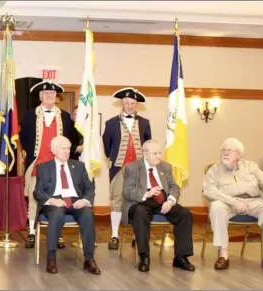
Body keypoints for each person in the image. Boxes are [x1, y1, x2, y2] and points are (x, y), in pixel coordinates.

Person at [203, 138, 263, 271]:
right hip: (227, 202)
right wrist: (232, 201)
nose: (225, 153)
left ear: (239, 154)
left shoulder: (251, 166)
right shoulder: (214, 169)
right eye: (223, 150)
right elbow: (209, 190)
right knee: (216, 207)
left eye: (230, 150)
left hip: (253, 201)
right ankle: (223, 255)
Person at [122, 140, 195, 272]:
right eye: (155, 153)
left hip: (163, 201)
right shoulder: (132, 168)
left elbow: (174, 186)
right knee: (140, 213)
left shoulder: (165, 167)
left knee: (185, 214)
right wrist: (147, 193)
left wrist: (170, 201)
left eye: (160, 153)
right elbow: (127, 191)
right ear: (145, 154)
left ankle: (181, 258)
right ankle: (144, 256)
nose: (159, 156)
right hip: (142, 202)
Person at [20, 81, 77, 249]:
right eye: (45, 94)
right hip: (37, 164)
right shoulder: (30, 115)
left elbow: (72, 138)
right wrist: (32, 155)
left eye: (52, 94)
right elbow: (24, 138)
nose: (49, 96)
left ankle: (57, 234)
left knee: (58, 198)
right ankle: (31, 232)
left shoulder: (65, 116)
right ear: (40, 97)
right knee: (33, 199)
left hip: (58, 166)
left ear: (56, 97)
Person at [34, 136, 100, 275]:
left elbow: (89, 188)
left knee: (87, 213)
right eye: (63, 148)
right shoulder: (44, 167)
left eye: (68, 148)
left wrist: (85, 201)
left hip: (76, 201)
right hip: (54, 201)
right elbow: (38, 191)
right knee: (57, 213)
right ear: (54, 150)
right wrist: (52, 200)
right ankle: (51, 259)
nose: (67, 151)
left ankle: (89, 259)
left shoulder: (79, 166)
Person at [102, 87, 151, 250]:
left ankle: (137, 235)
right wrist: (116, 159)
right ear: (122, 104)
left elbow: (148, 144)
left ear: (136, 104)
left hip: (138, 170)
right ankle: (114, 235)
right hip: (119, 168)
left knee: (138, 201)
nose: (130, 106)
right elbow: (107, 146)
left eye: (133, 103)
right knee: (117, 201)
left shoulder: (144, 123)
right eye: (127, 103)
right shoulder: (111, 123)